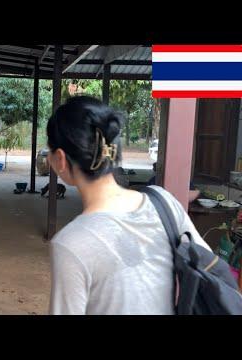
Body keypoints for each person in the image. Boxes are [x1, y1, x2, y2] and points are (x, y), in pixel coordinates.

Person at [45, 95, 211, 315]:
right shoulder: (164, 204)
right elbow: (211, 272)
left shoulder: (71, 243)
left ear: (60, 159)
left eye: (49, 153)